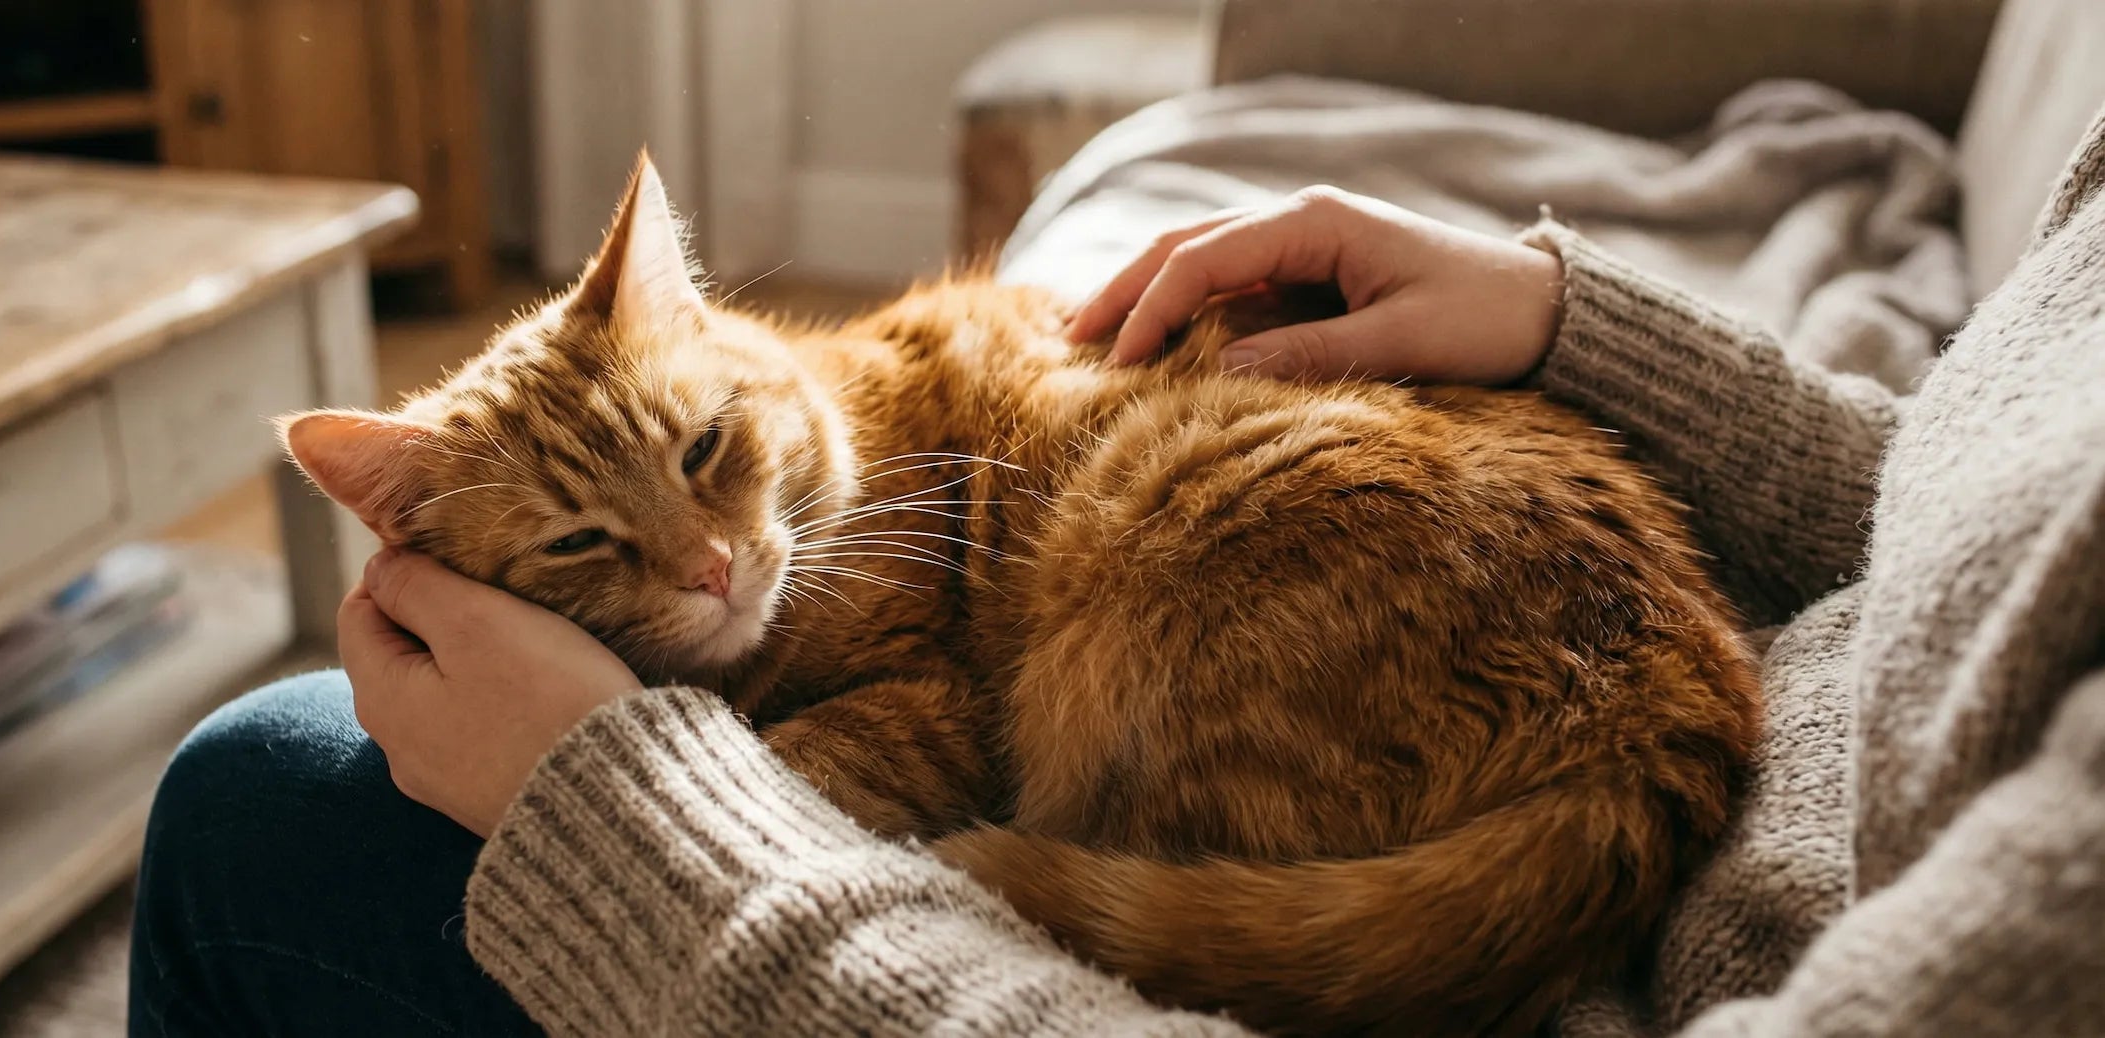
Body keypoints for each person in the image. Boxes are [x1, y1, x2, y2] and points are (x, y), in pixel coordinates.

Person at [130, 105, 2105, 1037]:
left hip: (1608, 886)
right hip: (1683, 700)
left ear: (718, 336)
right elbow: (1974, 510)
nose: (712, 558)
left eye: (716, 455)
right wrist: (1571, 329)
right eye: (593, 549)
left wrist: (637, 806)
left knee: (244, 801)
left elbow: (943, 747)